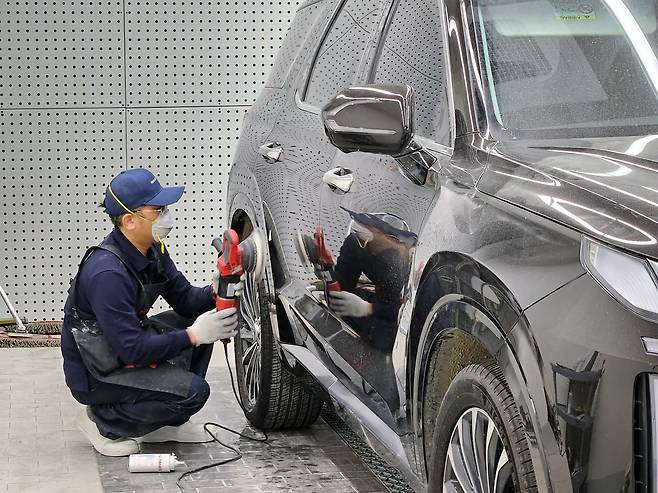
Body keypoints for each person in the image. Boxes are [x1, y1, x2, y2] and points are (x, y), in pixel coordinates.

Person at [61, 168, 240, 457]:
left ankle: (163, 424)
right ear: (129, 220)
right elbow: (132, 350)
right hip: (97, 372)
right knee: (195, 391)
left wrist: (215, 290)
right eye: (158, 209)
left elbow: (186, 302)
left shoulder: (153, 249)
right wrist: (194, 336)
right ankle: (100, 419)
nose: (167, 215)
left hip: (122, 345)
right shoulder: (107, 272)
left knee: (196, 323)